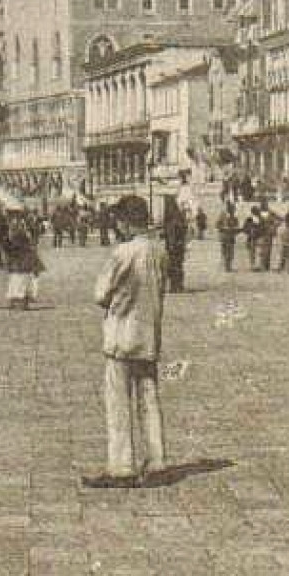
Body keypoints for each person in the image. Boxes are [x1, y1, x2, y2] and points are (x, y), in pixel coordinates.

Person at [86, 195, 168, 487]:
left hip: (122, 334)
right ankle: (156, 461)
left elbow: (100, 294)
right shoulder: (159, 250)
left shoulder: (122, 253)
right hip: (148, 333)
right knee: (149, 397)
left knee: (119, 401)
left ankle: (122, 466)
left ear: (126, 222)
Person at [3, 213, 44, 310]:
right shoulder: (21, 235)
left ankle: (15, 302)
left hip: (18, 262)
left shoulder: (14, 235)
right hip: (22, 262)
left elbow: (9, 248)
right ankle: (21, 302)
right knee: (22, 282)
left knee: (17, 281)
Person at [161, 198, 189, 293]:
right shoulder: (175, 219)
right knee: (175, 266)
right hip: (173, 248)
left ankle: (176, 285)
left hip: (174, 248)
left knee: (174, 266)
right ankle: (176, 285)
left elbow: (180, 232)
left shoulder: (174, 220)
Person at [216, 205, 239, 272]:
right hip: (224, 237)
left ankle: (228, 267)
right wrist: (223, 228)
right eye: (232, 210)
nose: (233, 211)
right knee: (226, 252)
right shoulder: (223, 216)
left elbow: (237, 226)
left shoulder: (234, 218)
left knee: (230, 253)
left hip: (230, 237)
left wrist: (235, 230)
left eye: (234, 210)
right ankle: (227, 267)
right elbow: (217, 225)